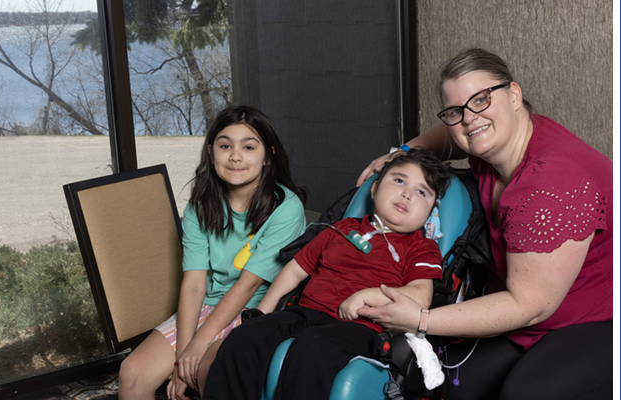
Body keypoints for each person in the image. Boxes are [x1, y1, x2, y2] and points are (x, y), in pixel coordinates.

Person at [355, 48, 613, 400]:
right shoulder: (491, 142)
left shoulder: (551, 183)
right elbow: (455, 134)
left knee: (524, 394)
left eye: (480, 100)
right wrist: (405, 150)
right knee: (451, 384)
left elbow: (528, 305)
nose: (469, 119)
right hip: (532, 313)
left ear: (514, 95)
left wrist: (420, 319)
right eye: (455, 111)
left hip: (602, 318)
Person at [200, 149, 453, 400]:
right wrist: (263, 313)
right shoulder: (341, 229)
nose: (407, 194)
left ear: (430, 213)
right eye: (399, 180)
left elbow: (420, 297)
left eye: (422, 192)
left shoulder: (420, 247)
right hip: (304, 312)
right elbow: (294, 270)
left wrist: (368, 296)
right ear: (374, 189)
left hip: (361, 328)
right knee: (245, 337)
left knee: (312, 347)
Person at [117, 105, 307, 400]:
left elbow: (248, 285)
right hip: (206, 305)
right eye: (225, 145)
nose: (235, 156)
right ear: (211, 152)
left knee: (209, 370)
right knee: (131, 373)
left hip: (255, 311)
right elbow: (193, 284)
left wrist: (198, 348)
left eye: (248, 147)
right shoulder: (200, 206)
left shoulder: (287, 207)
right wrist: (183, 358)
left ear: (267, 155)